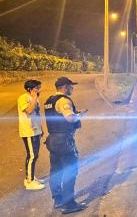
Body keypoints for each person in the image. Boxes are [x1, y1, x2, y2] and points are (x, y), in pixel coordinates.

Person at [44, 77, 88, 214]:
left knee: (56, 170)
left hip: (52, 139)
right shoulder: (63, 100)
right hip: (64, 140)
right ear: (64, 87)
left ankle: (58, 200)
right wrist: (80, 115)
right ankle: (68, 204)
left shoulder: (49, 101)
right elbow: (70, 118)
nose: (72, 88)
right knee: (70, 170)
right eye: (71, 86)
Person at [17, 79, 45, 190]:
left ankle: (31, 176)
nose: (39, 90)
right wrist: (34, 98)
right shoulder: (23, 98)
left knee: (34, 155)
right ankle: (30, 181)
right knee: (32, 155)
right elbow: (28, 111)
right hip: (29, 131)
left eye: (39, 87)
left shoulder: (35, 99)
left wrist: (41, 128)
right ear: (30, 89)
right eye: (37, 88)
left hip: (35, 130)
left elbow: (36, 115)